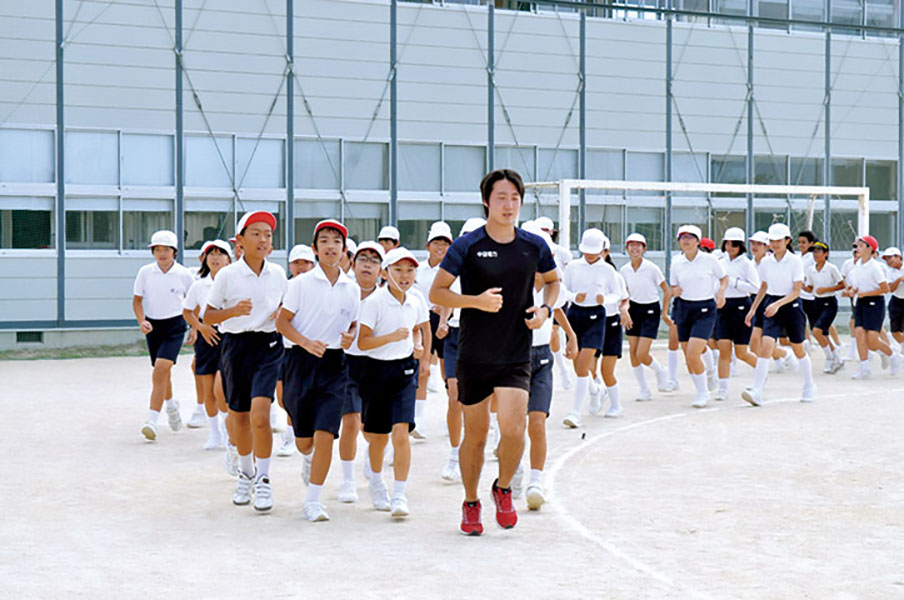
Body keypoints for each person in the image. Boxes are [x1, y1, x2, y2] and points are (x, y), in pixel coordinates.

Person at [430, 169, 558, 536]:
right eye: (501, 197)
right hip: (474, 354)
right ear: (487, 201)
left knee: (515, 429)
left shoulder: (534, 245)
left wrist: (545, 310)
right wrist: (475, 302)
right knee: (477, 435)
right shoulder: (466, 245)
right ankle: (471, 502)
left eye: (514, 198)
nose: (508, 204)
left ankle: (502, 488)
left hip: (517, 353)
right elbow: (437, 292)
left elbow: (552, 283)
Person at [275, 219, 359, 522]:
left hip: (335, 365)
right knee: (304, 440)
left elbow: (352, 324)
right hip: (300, 361)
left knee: (326, 433)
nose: (331, 246)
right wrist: (306, 343)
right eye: (324, 240)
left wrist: (351, 336)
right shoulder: (299, 284)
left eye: (337, 241)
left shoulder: (352, 288)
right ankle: (307, 458)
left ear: (344, 249)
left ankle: (313, 500)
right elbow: (281, 323)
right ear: (315, 248)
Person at [204, 211, 286, 512]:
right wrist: (233, 312)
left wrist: (282, 314)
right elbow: (208, 316)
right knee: (239, 417)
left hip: (268, 345)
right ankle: (246, 473)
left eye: (268, 234)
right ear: (240, 241)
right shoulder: (227, 275)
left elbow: (286, 308)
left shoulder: (278, 274)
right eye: (256, 233)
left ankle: (264, 480)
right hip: (235, 345)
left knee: (261, 414)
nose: (263, 239)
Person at [356, 247, 431, 519]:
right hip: (375, 370)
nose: (404, 276)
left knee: (401, 433)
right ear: (386, 273)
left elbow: (424, 326)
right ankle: (376, 481)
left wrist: (423, 355)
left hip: (404, 372)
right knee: (377, 438)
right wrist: (389, 337)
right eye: (398, 270)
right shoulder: (373, 302)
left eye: (410, 270)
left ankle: (400, 494)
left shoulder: (416, 299)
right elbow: (363, 342)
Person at [742, 223, 815, 406]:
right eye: (772, 240)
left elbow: (797, 291)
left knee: (798, 348)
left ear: (787, 241)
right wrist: (753, 309)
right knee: (766, 346)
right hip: (770, 304)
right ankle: (756, 390)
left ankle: (809, 385)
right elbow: (763, 287)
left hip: (791, 305)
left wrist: (778, 304)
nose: (774, 244)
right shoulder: (766, 261)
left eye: (778, 240)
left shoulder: (795, 261)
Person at [133, 230, 196, 441]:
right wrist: (142, 320)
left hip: (175, 325)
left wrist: (195, 327)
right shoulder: (145, 272)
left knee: (160, 369)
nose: (161, 254)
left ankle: (152, 420)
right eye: (157, 249)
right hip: (153, 326)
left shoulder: (184, 274)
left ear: (174, 252)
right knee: (162, 371)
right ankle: (171, 405)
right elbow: (137, 300)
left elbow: (194, 302)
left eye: (166, 250)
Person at [436, 217, 486, 483]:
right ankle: (454, 455)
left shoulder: (493, 267)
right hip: (456, 335)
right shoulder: (453, 266)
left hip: (484, 338)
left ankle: (489, 444)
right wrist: (443, 322)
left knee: (488, 400)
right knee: (454, 397)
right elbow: (446, 296)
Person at [337, 241, 385, 503]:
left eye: (374, 261)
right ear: (352, 263)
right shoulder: (343, 291)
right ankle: (347, 480)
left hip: (377, 365)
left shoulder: (388, 296)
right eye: (363, 259)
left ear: (382, 269)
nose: (367, 265)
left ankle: (374, 466)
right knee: (351, 421)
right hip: (346, 363)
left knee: (372, 427)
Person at [560, 228, 622, 427]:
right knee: (578, 364)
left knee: (585, 362)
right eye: (587, 251)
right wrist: (573, 297)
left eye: (593, 251)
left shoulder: (608, 270)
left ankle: (575, 412)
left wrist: (605, 299)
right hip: (575, 314)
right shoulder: (573, 267)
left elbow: (617, 294)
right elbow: (564, 290)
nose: (589, 255)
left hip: (597, 315)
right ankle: (596, 391)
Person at [670, 225, 728, 408]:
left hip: (705, 308)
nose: (686, 241)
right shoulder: (676, 261)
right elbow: (673, 286)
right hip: (684, 308)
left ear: (697, 241)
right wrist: (674, 291)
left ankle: (702, 393)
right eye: (682, 237)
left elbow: (724, 278)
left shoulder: (709, 260)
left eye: (690, 237)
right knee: (688, 352)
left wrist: (721, 293)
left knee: (694, 351)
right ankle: (709, 372)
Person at [182, 239, 232, 450]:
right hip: (206, 339)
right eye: (211, 254)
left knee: (221, 389)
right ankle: (214, 433)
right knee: (208, 388)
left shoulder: (235, 282)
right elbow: (188, 311)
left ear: (229, 259)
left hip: (229, 339)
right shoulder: (199, 284)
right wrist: (200, 328)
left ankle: (229, 429)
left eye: (220, 254)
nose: (215, 258)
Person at [412, 221, 454, 439]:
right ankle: (418, 421)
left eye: (445, 243)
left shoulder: (453, 271)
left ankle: (453, 418)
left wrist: (445, 315)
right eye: (436, 242)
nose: (440, 247)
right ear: (428, 245)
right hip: (423, 321)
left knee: (450, 376)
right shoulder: (417, 270)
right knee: (423, 371)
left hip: (446, 321)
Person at [275, 244, 317, 457]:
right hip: (285, 348)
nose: (301, 267)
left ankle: (298, 436)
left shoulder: (318, 288)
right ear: (290, 265)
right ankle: (291, 434)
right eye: (297, 263)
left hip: (311, 350)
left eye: (306, 263)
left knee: (306, 397)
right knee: (284, 397)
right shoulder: (285, 286)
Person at [620, 232, 671, 401]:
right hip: (634, 309)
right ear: (626, 248)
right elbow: (625, 294)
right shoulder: (624, 270)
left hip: (651, 310)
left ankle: (660, 370)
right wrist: (624, 310)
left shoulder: (652, 268)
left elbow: (666, 290)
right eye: (631, 245)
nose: (634, 248)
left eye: (638, 245)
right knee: (633, 355)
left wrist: (664, 312)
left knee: (642, 354)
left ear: (644, 248)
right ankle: (644, 390)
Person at [844, 235, 901, 379]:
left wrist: (866, 293)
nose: (858, 249)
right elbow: (857, 286)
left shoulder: (875, 267)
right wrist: (851, 291)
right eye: (857, 246)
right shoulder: (857, 265)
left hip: (875, 303)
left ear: (870, 249)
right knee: (859, 333)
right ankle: (864, 368)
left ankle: (893, 356)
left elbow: (885, 289)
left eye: (861, 246)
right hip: (861, 303)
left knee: (872, 340)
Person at [713, 228, 760, 401]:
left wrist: (733, 282)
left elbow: (755, 287)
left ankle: (761, 372)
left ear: (740, 246)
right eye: (727, 243)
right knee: (723, 349)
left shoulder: (746, 264)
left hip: (741, 306)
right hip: (723, 307)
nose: (730, 247)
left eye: (734, 244)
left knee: (741, 352)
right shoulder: (719, 260)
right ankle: (723, 388)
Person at [804, 242, 845, 373]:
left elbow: (842, 284)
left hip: (829, 303)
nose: (816, 254)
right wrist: (800, 286)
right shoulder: (811, 270)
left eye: (818, 251)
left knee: (817, 331)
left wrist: (826, 289)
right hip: (817, 302)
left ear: (826, 254)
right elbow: (810, 288)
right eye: (814, 252)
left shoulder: (831, 268)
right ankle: (837, 359)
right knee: (824, 334)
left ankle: (829, 358)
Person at [882, 247, 904, 350]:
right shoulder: (889, 272)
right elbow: (890, 289)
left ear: (898, 257)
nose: (888, 261)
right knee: (895, 331)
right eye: (886, 259)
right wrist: (899, 280)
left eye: (890, 258)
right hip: (896, 301)